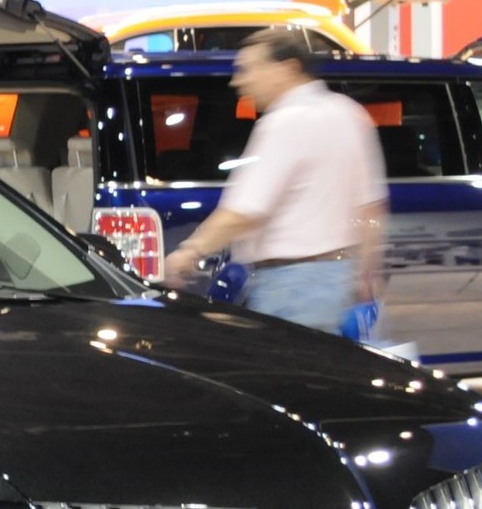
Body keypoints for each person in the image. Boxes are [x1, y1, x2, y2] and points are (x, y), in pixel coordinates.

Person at [161, 28, 388, 332]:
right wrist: (364, 275)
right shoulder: (348, 113)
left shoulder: (285, 121)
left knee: (287, 375)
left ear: (287, 68)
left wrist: (190, 251)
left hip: (291, 285)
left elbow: (246, 211)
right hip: (339, 278)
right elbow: (371, 207)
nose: (238, 81)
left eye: (248, 69)